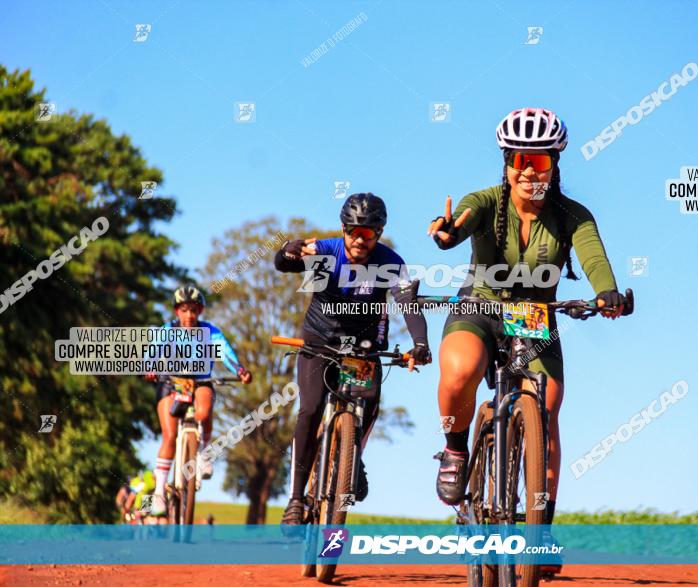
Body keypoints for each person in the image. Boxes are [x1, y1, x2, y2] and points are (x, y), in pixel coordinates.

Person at [426, 108, 632, 571]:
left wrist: (607, 294)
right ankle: (456, 449)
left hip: (535, 317)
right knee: (459, 371)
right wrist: (446, 233)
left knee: (547, 408)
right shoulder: (484, 201)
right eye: (519, 160)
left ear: (554, 166)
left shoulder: (573, 216)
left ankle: (540, 529)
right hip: (479, 305)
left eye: (538, 163)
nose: (527, 172)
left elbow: (594, 258)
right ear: (506, 162)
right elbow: (460, 222)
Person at [275, 192, 431, 526]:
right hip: (320, 341)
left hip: (363, 346)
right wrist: (290, 248)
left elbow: (408, 304)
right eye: (353, 231)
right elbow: (284, 262)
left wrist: (420, 342)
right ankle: (297, 499)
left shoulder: (392, 263)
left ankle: (353, 454)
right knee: (311, 409)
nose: (359, 239)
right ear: (343, 229)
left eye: (368, 232)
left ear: (380, 232)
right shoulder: (326, 251)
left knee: (371, 401)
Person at [144, 286, 252, 517]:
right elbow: (153, 352)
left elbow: (224, 351)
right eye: (184, 310)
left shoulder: (210, 332)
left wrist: (240, 370)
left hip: (201, 381)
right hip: (170, 383)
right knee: (170, 436)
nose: (189, 315)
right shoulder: (168, 331)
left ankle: (203, 455)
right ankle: (160, 492)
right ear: (177, 311)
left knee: (204, 412)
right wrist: (150, 366)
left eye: (193, 310)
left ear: (200, 311)